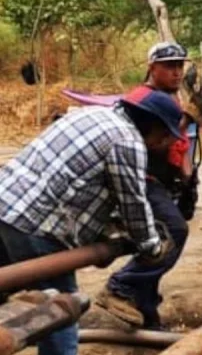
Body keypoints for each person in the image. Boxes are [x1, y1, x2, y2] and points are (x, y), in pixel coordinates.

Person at [0, 86, 181, 355]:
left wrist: (101, 234)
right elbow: (133, 202)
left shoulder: (91, 115)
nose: (164, 142)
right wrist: (152, 246)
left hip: (5, 209)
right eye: (164, 135)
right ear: (153, 127)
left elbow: (80, 184)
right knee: (60, 313)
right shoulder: (127, 141)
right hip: (36, 229)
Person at [97, 41, 202, 330]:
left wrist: (188, 179)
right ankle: (121, 286)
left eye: (180, 66)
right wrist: (188, 119)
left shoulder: (171, 98)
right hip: (143, 178)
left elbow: (178, 147)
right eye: (169, 66)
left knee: (158, 241)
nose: (177, 72)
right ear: (152, 68)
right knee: (174, 233)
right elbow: (154, 142)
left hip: (164, 181)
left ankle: (147, 313)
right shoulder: (141, 99)